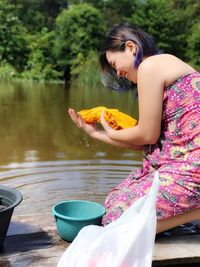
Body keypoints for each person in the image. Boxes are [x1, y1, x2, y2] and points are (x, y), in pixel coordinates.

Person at [68, 23, 200, 233]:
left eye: (114, 63)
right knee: (115, 199)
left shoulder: (150, 66)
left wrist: (110, 130)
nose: (117, 73)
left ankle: (196, 212)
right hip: (187, 165)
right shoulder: (164, 64)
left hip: (193, 169)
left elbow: (147, 134)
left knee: (117, 218)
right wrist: (96, 133)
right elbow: (148, 142)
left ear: (130, 47)